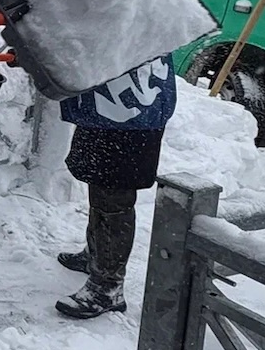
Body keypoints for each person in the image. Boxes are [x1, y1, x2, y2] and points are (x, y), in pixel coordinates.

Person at [55, 53, 177, 319]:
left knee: (114, 196)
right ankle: (96, 255)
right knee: (99, 183)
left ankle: (108, 286)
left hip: (131, 108)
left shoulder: (140, 16)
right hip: (109, 101)